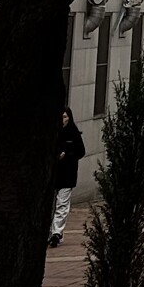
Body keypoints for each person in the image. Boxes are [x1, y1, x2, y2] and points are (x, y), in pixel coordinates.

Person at [50, 105, 86, 248]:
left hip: (67, 174)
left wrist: (67, 154)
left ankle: (56, 233)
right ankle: (53, 231)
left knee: (62, 204)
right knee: (53, 205)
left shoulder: (73, 134)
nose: (63, 120)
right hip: (54, 174)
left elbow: (81, 152)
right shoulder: (53, 134)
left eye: (65, 117)